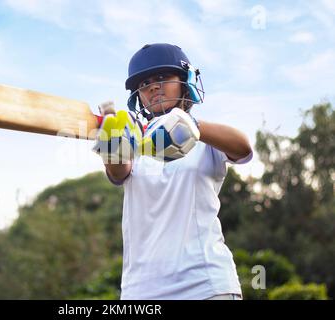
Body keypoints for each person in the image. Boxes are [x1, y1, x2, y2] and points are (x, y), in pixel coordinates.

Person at [93, 43, 253, 300]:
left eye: (161, 78)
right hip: (142, 291)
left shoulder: (205, 140)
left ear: (184, 81)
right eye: (144, 83)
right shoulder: (135, 141)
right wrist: (112, 138)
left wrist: (193, 125)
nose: (153, 87)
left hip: (206, 285)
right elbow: (118, 173)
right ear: (138, 95)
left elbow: (243, 148)